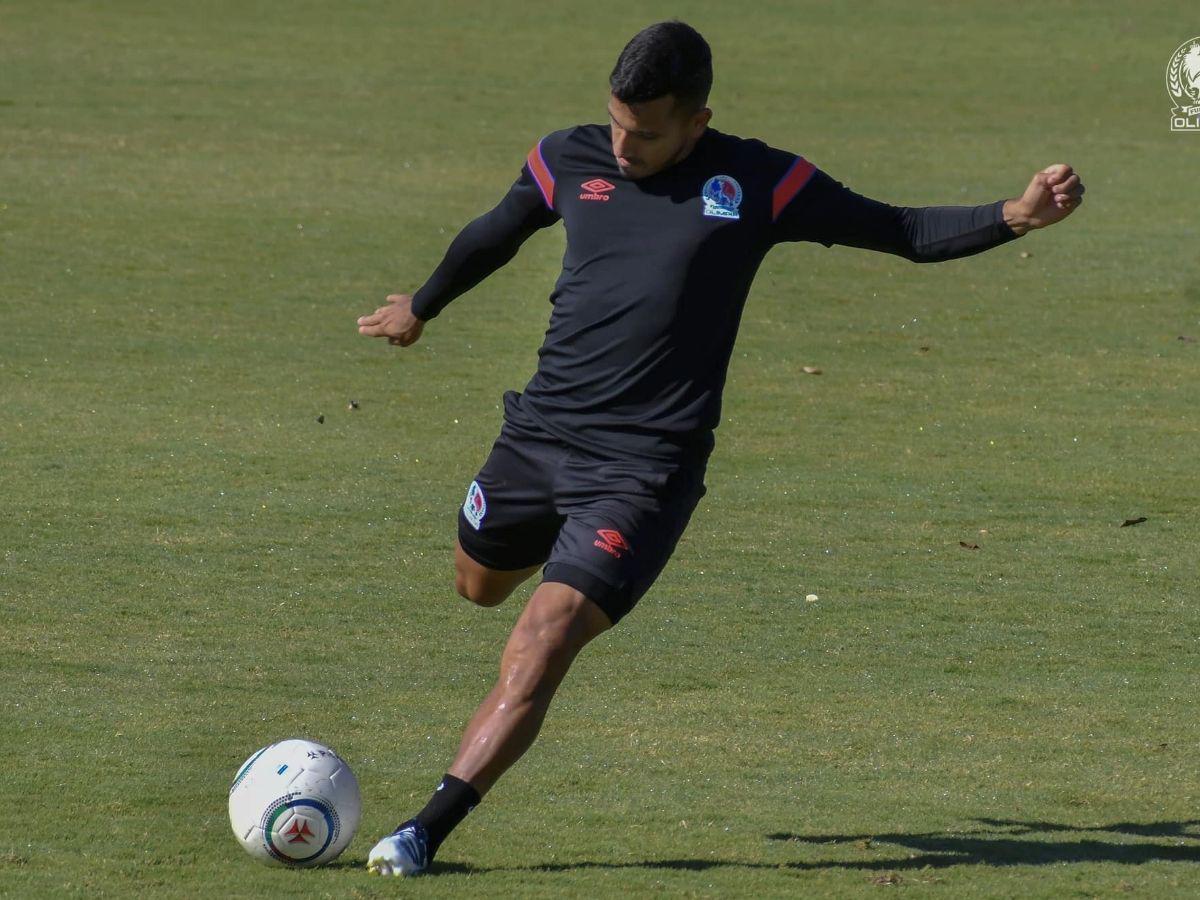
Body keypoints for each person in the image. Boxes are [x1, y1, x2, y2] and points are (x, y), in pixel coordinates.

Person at [356, 20, 1085, 876]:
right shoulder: (568, 156)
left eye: (646, 133)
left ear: (697, 122)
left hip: (642, 473)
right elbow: (496, 231)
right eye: (616, 124)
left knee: (541, 639)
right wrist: (422, 306)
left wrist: (1015, 216)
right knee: (477, 586)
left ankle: (422, 833)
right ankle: (558, 560)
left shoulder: (761, 181)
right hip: (538, 437)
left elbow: (898, 229)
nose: (623, 147)